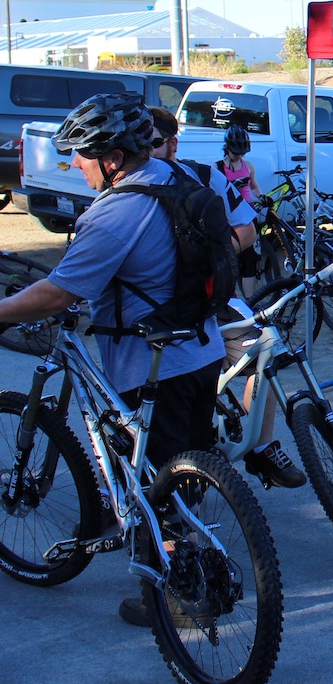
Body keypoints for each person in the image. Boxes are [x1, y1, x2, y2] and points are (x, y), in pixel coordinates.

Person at [0, 93, 227, 625]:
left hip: (153, 364)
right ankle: (195, 560)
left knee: (153, 486)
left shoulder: (118, 211)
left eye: (80, 155)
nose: (74, 165)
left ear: (113, 158)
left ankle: (182, 596)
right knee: (184, 468)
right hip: (201, 346)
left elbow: (59, 293)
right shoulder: (177, 177)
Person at [148, 107, 305, 492]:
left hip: (210, 301)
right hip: (155, 319)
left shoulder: (203, 175)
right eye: (140, 143)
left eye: (153, 142)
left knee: (265, 348)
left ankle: (262, 445)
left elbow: (248, 228)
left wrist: (211, 255)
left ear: (172, 143)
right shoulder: (123, 189)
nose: (146, 150)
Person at [217, 123, 263, 299]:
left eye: (242, 153)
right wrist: (231, 187)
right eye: (236, 153)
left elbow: (255, 187)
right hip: (229, 219)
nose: (239, 156)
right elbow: (215, 195)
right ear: (227, 148)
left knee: (250, 259)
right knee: (230, 259)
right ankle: (230, 298)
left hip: (248, 214)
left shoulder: (248, 166)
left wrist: (262, 196)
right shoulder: (218, 168)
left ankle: (251, 302)